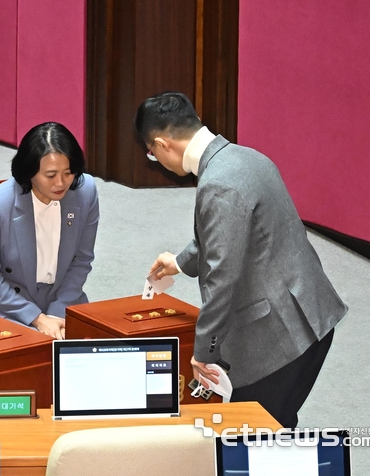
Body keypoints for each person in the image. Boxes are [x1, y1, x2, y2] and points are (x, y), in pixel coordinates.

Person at [135, 92, 347, 428]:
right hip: (314, 317)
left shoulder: (218, 185)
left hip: (280, 342)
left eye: (152, 154)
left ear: (162, 145)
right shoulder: (247, 158)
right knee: (278, 428)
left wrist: (204, 353)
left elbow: (223, 279)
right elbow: (230, 235)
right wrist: (181, 261)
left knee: (250, 438)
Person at [0, 122, 99, 340]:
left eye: (69, 173)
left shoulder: (85, 191)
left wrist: (57, 313)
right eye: (50, 175)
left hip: (60, 300)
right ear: (29, 171)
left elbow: (81, 261)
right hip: (0, 305)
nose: (61, 183)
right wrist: (38, 319)